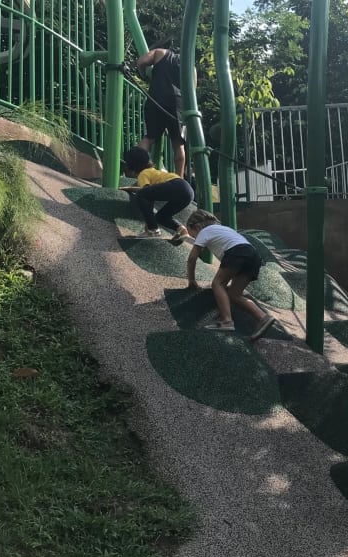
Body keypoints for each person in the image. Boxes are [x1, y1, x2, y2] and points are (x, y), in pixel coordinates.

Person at [185, 209, 277, 341]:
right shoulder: (223, 229)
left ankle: (227, 321)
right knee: (235, 294)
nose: (195, 238)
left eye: (192, 234)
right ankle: (263, 317)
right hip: (253, 255)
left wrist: (192, 280)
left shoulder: (204, 231)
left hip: (237, 252)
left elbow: (192, 258)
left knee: (217, 284)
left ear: (197, 226)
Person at [136, 48, 190, 180]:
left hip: (156, 97)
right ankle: (179, 179)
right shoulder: (190, 66)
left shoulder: (160, 53)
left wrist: (145, 75)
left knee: (149, 138)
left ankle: (139, 171)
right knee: (178, 143)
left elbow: (141, 62)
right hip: (177, 102)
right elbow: (191, 93)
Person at [119, 146, 193, 239]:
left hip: (177, 186)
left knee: (142, 195)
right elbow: (149, 191)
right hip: (187, 191)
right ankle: (182, 230)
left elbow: (145, 192)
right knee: (162, 217)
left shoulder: (143, 174)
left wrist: (129, 188)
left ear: (131, 166)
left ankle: (153, 230)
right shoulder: (152, 171)